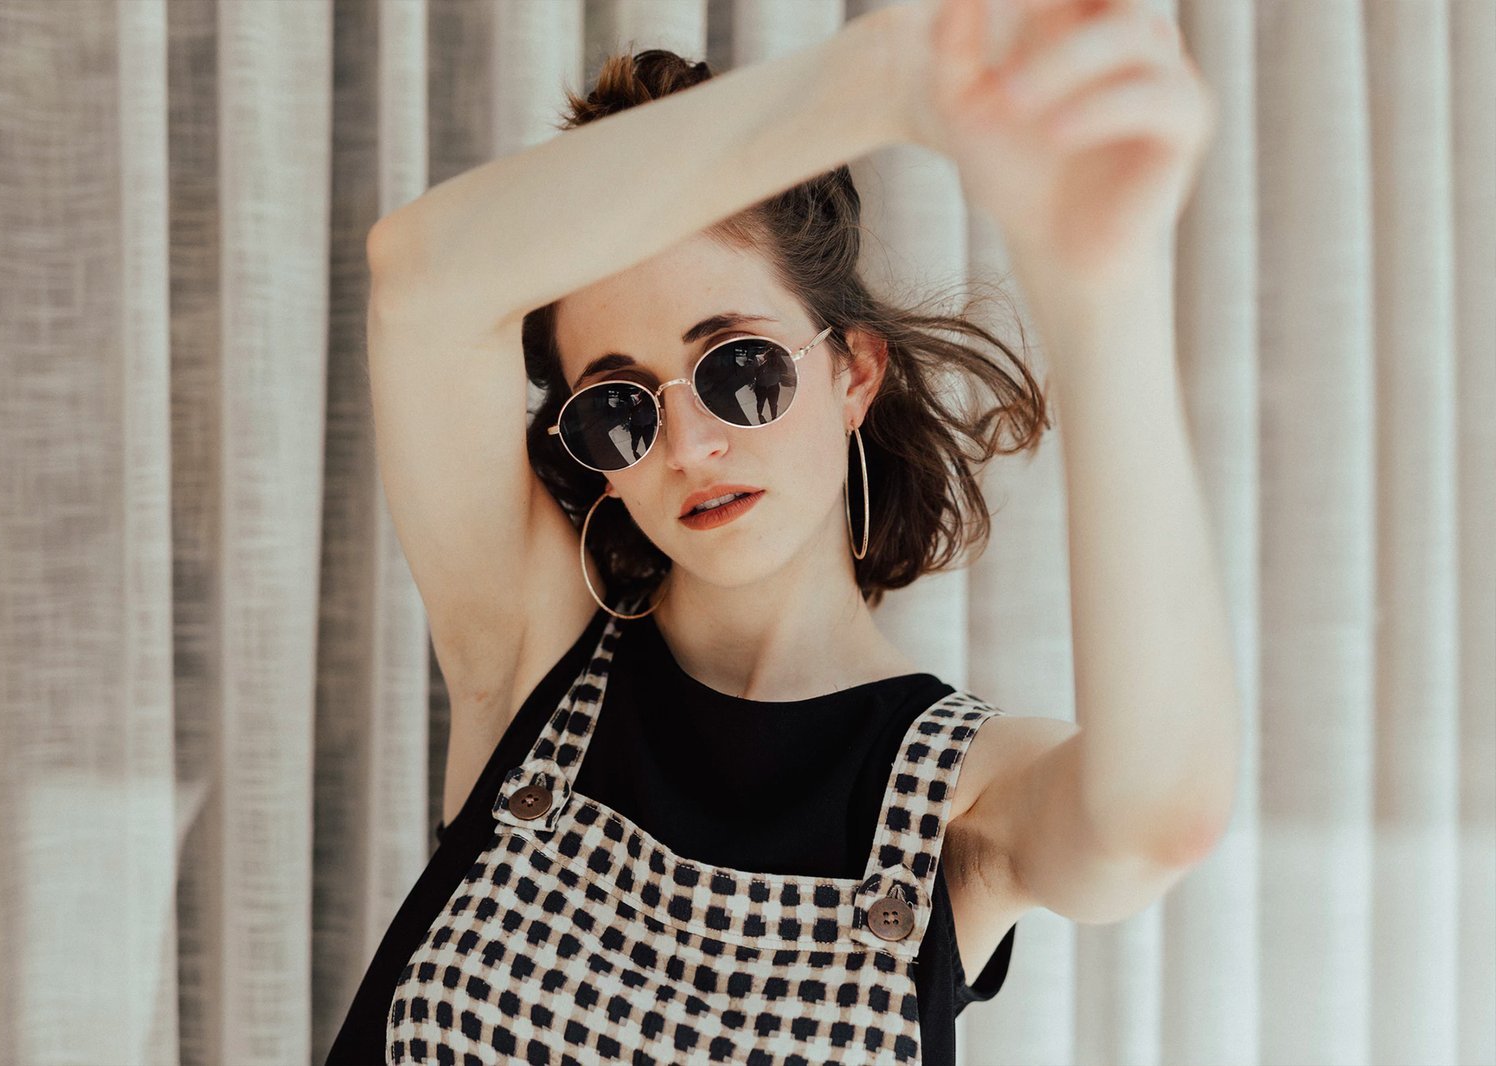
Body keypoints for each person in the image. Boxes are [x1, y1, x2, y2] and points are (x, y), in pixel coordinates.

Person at [333, 0, 1233, 1062]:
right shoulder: (530, 659)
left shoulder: (959, 793)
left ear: (853, 373)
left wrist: (1104, 286)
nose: (688, 445)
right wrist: (891, 79)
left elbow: (1148, 820)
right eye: (620, 407)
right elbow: (420, 281)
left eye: (739, 369)